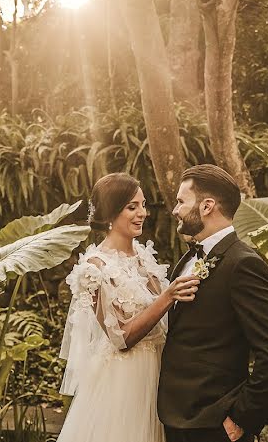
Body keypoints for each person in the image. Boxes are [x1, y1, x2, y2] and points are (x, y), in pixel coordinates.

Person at [57, 172, 200, 442]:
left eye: (143, 205)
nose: (142, 213)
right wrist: (167, 296)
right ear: (111, 212)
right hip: (124, 380)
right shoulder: (94, 269)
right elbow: (121, 337)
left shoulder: (144, 255)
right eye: (132, 207)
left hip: (160, 369)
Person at [158, 164, 268, 442]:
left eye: (181, 201)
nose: (175, 209)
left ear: (207, 206)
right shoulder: (188, 259)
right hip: (175, 418)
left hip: (215, 425)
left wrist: (241, 419)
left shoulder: (244, 264)